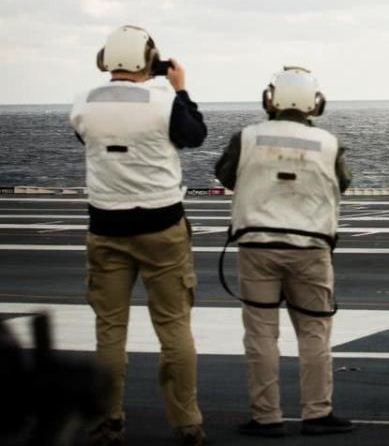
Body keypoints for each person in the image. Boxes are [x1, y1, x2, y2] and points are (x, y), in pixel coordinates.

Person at [70, 25, 207, 446]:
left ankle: (109, 420)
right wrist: (180, 90)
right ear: (149, 60)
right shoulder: (164, 102)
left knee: (110, 329)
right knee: (174, 327)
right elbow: (194, 136)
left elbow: (84, 136)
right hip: (161, 224)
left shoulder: (82, 104)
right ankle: (186, 423)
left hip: (106, 225)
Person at [215, 66, 355, 438]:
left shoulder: (246, 138)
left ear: (270, 99)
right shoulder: (329, 143)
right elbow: (344, 182)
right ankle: (317, 412)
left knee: (261, 333)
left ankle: (266, 417)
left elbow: (226, 175)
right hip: (311, 249)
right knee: (314, 333)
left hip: (258, 246)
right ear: (316, 104)